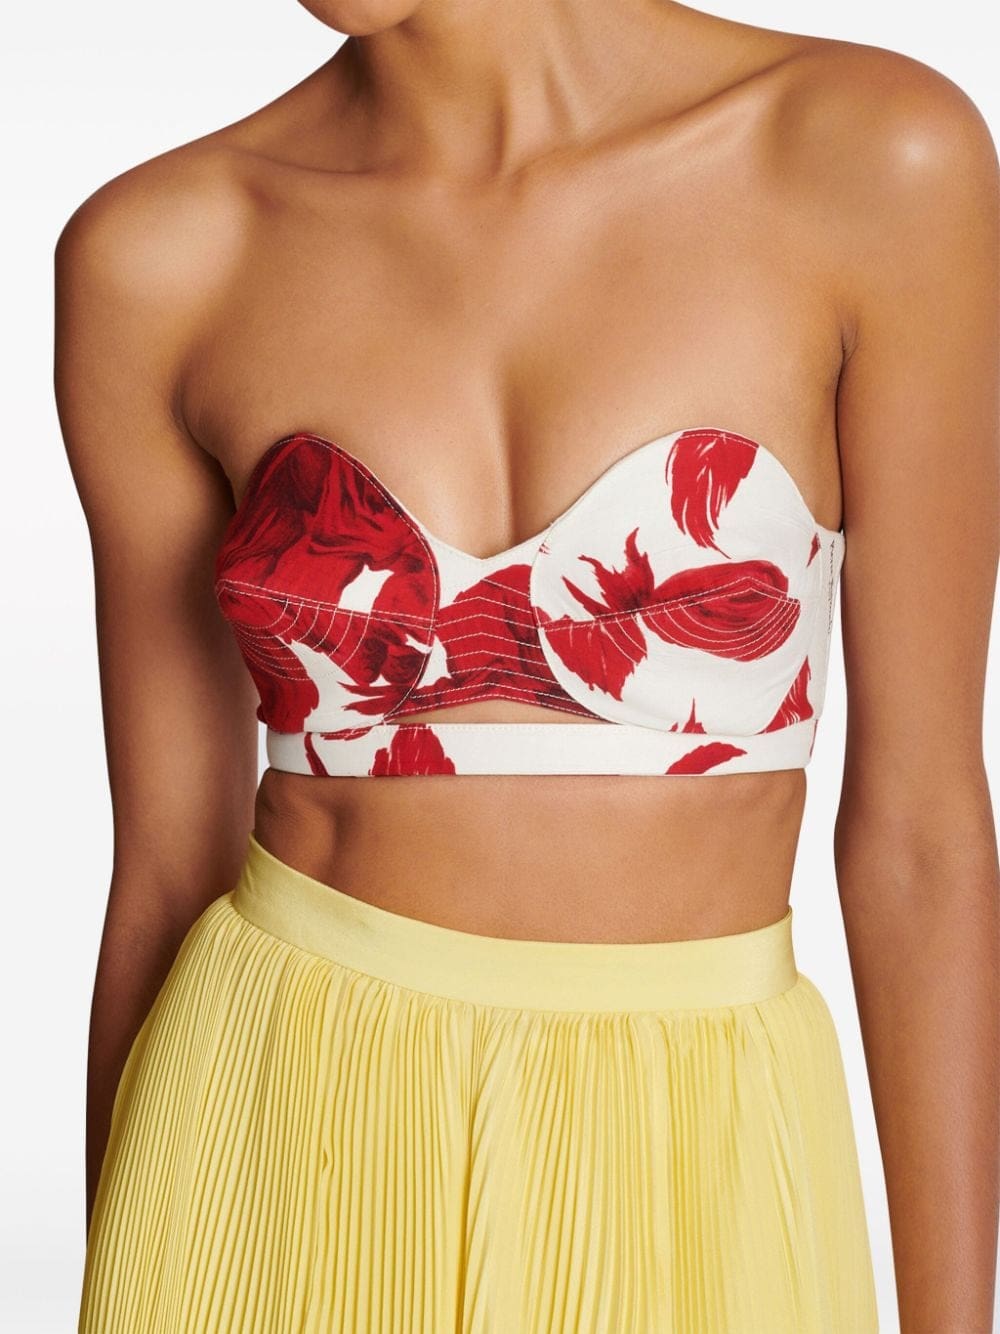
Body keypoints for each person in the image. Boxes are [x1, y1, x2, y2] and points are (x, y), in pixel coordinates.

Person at [58, 1, 999, 1330]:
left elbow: (921, 837)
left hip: (698, 1149)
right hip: (271, 1127)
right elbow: (162, 871)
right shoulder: (161, 253)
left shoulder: (871, 160)